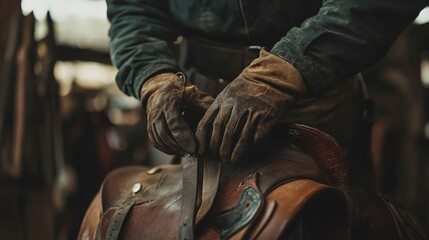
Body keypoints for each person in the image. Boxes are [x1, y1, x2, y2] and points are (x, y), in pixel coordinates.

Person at [105, 0, 427, 187]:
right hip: (194, 112)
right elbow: (134, 6)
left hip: (317, 109)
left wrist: (285, 72)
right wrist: (155, 78)